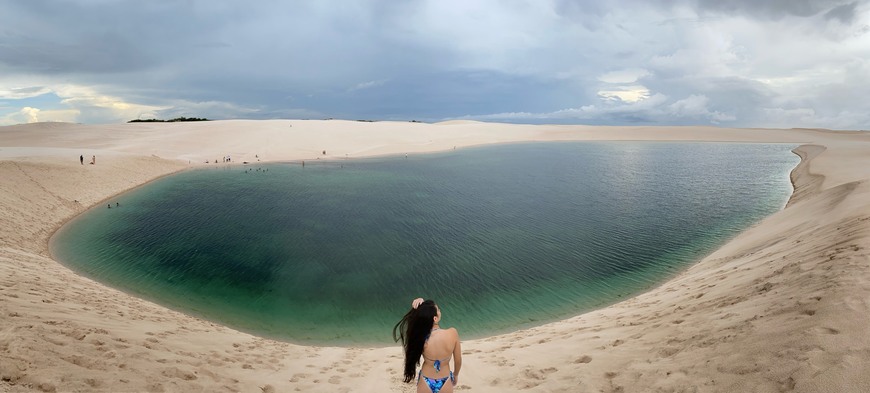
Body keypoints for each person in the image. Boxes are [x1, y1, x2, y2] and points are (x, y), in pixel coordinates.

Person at [393, 298, 462, 393]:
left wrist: (421, 304)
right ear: (435, 318)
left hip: (426, 380)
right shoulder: (452, 333)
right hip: (445, 380)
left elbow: (419, 318)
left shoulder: (420, 337)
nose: (440, 311)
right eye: (438, 310)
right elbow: (458, 361)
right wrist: (456, 374)